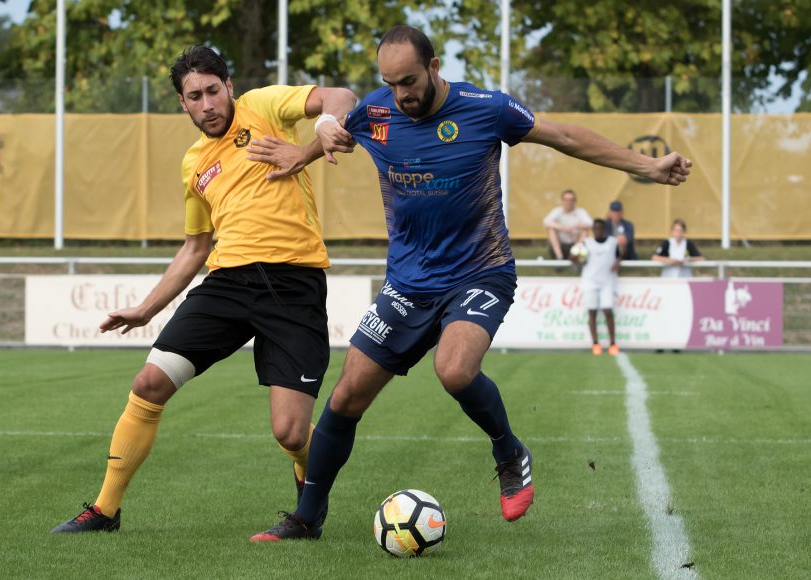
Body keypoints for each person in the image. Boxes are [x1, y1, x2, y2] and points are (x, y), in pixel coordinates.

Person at [248, 25, 692, 541]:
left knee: (455, 370)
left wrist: (649, 166)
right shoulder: (377, 111)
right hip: (408, 285)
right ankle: (306, 518)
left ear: (435, 67)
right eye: (391, 83)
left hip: (480, 271)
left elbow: (566, 138)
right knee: (346, 398)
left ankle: (508, 450)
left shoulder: (487, 108)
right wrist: (305, 149)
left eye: (410, 80)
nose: (402, 94)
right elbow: (338, 127)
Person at [51, 45, 357, 532]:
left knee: (290, 430)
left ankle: (308, 508)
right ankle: (105, 511)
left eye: (213, 90)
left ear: (229, 86)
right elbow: (195, 248)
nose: (207, 103)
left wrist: (315, 139)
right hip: (226, 284)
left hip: (294, 282)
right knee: (148, 382)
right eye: (195, 96)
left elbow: (342, 96)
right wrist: (147, 309)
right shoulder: (194, 164)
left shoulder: (268, 106)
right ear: (183, 103)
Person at [571, 219, 622, 356]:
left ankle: (613, 344)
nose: (598, 231)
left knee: (608, 311)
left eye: (600, 228)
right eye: (596, 229)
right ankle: (595, 344)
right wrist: (575, 257)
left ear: (604, 229)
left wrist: (618, 262)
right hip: (590, 281)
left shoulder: (612, 242)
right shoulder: (587, 243)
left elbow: (620, 255)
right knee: (592, 312)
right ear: (593, 230)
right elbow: (574, 257)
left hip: (607, 282)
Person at [543, 189, 592, 259]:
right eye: (566, 200)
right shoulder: (557, 211)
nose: (569, 202)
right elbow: (546, 221)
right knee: (551, 229)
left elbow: (590, 223)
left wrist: (575, 227)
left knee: (585, 231)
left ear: (575, 201)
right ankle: (559, 257)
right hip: (561, 243)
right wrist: (563, 228)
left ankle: (575, 256)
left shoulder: (581, 211)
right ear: (562, 201)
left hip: (576, 242)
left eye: (571, 200)